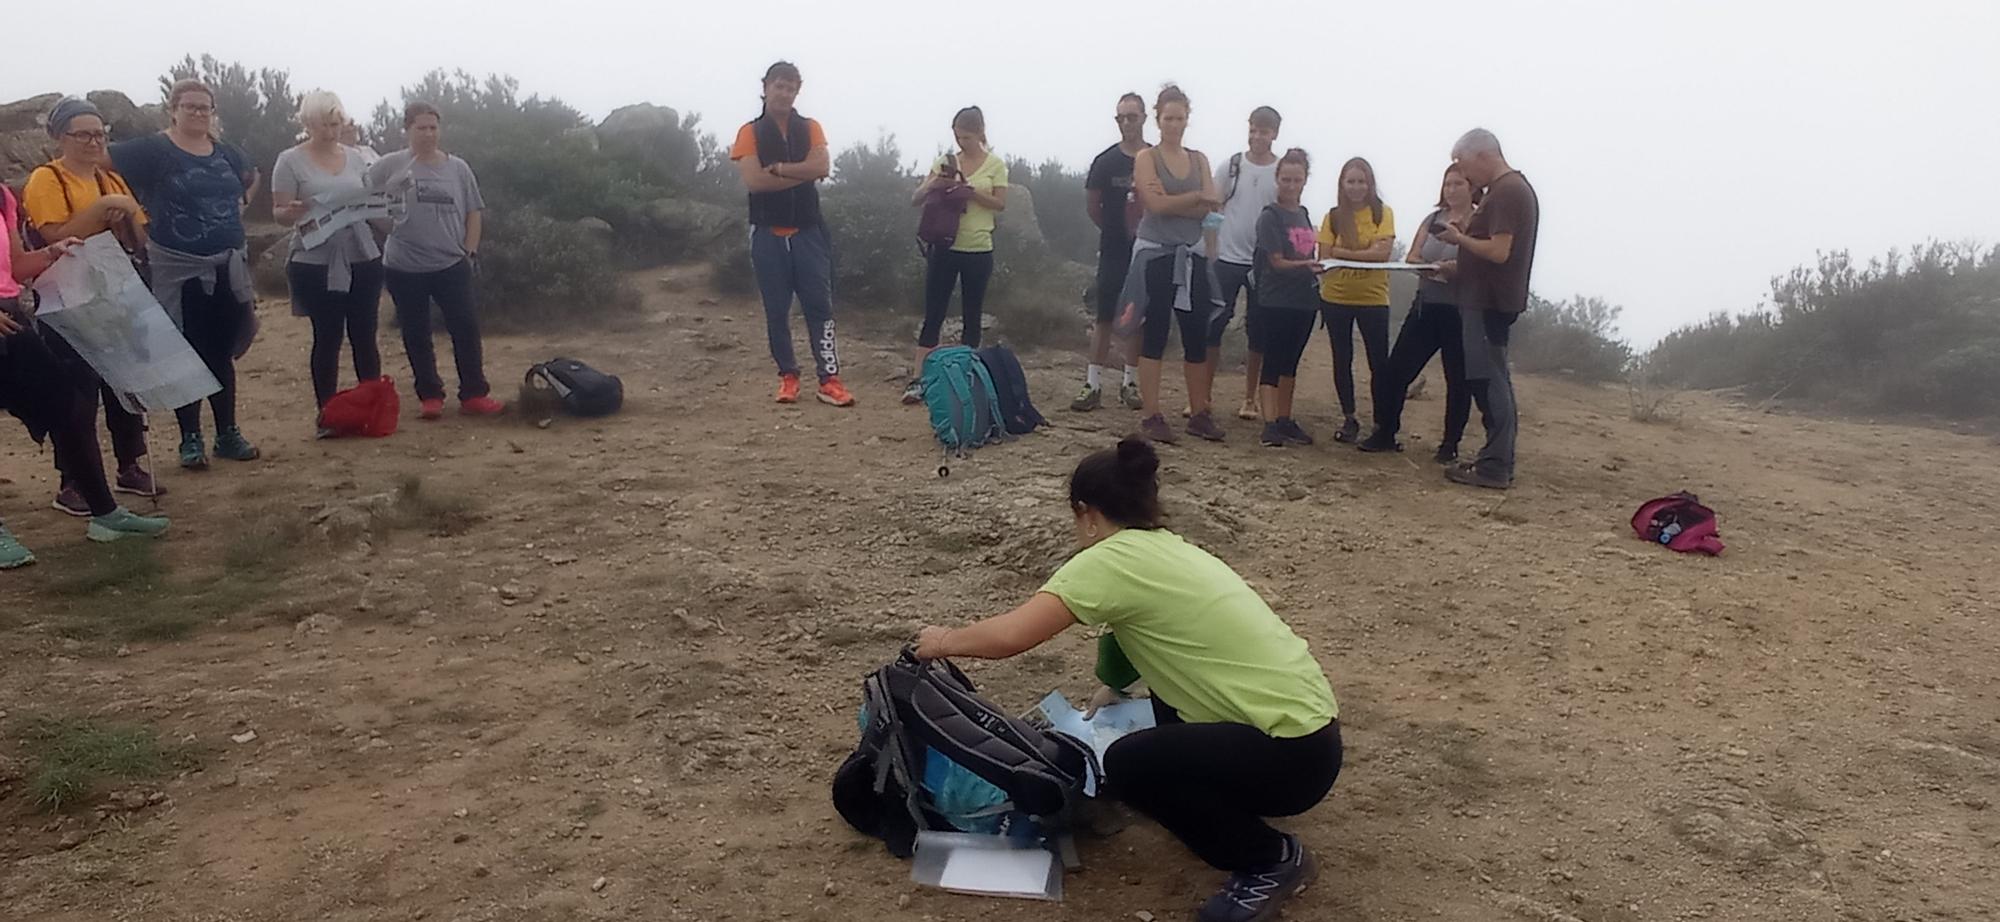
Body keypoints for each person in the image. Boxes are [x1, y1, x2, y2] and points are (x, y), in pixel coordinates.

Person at [913, 438, 1340, 922]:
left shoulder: (1108, 560)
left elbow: (1013, 635)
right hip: (1313, 739)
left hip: (1288, 762)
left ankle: (1270, 859)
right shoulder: (1170, 550)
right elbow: (1136, 632)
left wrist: (943, 640)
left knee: (1127, 763)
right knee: (1150, 730)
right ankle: (1209, 803)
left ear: (1086, 512)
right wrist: (1112, 685)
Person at [1, 190, 170, 569]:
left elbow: (13, 266)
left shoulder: (2, 197)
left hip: (10, 316)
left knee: (71, 409)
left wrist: (50, 253)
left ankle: (106, 515)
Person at [22, 97, 165, 510]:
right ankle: (73, 480)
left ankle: (129, 464)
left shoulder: (111, 179)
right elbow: (55, 236)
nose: (93, 142)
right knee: (75, 391)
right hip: (66, 299)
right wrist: (104, 210)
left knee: (124, 381)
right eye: (82, 134)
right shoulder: (46, 180)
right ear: (58, 137)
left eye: (100, 134)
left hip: (116, 292)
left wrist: (122, 218)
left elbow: (139, 234)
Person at [111, 78, 261, 470]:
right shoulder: (153, 149)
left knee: (221, 352)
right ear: (173, 109)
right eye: (190, 106)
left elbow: (251, 175)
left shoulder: (225, 151)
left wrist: (237, 211)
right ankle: (189, 438)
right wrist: (128, 213)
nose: (198, 113)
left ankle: (227, 432)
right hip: (178, 267)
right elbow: (103, 167)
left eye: (205, 107)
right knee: (185, 353)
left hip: (227, 265)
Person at [729, 61, 855, 408]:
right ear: (766, 87)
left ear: (797, 92)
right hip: (767, 234)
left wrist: (782, 170)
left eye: (790, 87)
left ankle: (829, 379)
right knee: (776, 310)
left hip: (809, 231)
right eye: (778, 86)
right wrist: (806, 172)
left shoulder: (810, 127)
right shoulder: (749, 132)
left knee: (820, 307)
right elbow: (755, 181)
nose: (784, 93)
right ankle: (788, 376)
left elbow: (823, 166)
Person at [368, 101, 504, 420]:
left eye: (433, 127)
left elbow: (474, 210)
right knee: (416, 332)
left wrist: (469, 251)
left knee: (466, 328)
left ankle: (474, 393)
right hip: (404, 266)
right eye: (421, 128)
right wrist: (386, 225)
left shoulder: (458, 168)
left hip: (451, 264)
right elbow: (362, 198)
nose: (428, 134)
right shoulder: (390, 165)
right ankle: (430, 395)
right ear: (407, 130)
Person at [273, 90, 385, 432]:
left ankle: (373, 409)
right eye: (324, 124)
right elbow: (278, 212)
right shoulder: (289, 161)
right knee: (328, 336)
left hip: (362, 255)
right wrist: (290, 212)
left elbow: (370, 200)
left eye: (336, 124)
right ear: (307, 123)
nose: (331, 131)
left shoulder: (355, 158)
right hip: (315, 260)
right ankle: (329, 414)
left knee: (365, 335)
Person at [1437, 128, 1539, 490]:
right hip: (1486, 299)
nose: (1463, 175)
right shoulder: (1508, 191)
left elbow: (1499, 252)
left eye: (1463, 165)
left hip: (1488, 303)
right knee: (1492, 377)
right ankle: (1495, 459)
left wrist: (1459, 239)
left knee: (1489, 380)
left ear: (1482, 155)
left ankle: (1495, 465)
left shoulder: (1507, 192)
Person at [1122, 85, 1224, 444]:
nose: (1174, 124)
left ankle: (1199, 412)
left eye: (1180, 118)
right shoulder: (1146, 157)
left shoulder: (1199, 159)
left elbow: (1210, 208)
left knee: (1196, 333)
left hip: (1192, 254)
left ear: (1187, 119)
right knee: (1156, 332)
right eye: (1168, 118)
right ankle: (1152, 414)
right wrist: (1195, 197)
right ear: (1158, 119)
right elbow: (1156, 204)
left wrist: (1183, 202)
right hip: (1156, 254)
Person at [1357, 164, 1480, 462]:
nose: (1451, 190)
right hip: (1426, 304)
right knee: (1394, 370)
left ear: (1472, 187)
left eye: (1458, 184)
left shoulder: (1480, 220)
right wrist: (1425, 266)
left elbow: (1483, 261)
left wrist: (1457, 269)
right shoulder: (1432, 218)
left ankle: (1449, 445)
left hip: (1461, 311)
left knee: (1459, 380)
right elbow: (1412, 254)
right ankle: (1385, 431)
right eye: (1447, 184)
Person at [903, 107, 1009, 404]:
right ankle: (918, 379)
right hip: (944, 245)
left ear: (979, 133)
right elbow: (916, 198)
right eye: (957, 136)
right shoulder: (945, 162)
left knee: (972, 315)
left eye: (966, 136)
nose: (961, 142)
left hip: (978, 248)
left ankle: (966, 378)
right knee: (933, 313)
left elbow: (1000, 203)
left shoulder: (996, 165)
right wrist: (934, 184)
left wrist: (970, 192)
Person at [1205, 106, 1282, 423]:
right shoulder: (1231, 166)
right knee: (1214, 325)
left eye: (1263, 131)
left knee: (1258, 333)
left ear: (1274, 133)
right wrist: (1210, 245)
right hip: (1226, 257)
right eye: (1253, 129)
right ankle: (1204, 395)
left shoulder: (1279, 172)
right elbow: (1213, 204)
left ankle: (1250, 399)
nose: (1256, 136)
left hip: (1261, 262)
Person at [1073, 93, 1147, 413]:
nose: (1127, 123)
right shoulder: (1105, 162)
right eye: (1121, 118)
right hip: (1114, 249)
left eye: (1132, 116)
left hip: (1147, 249)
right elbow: (1093, 207)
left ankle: (1130, 383)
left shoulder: (1154, 159)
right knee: (1104, 315)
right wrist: (1115, 231)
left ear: (1144, 118)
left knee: (1138, 316)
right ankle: (1093, 384)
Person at [1315, 157, 1396, 444]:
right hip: (1335, 297)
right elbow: (1324, 256)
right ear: (1342, 184)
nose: (1357, 187)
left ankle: (1381, 422)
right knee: (1342, 358)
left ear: (1370, 184)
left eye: (1362, 181)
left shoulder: (1382, 213)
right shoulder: (1333, 216)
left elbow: (1382, 255)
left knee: (1379, 362)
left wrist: (1342, 252)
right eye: (1351, 181)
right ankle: (1349, 418)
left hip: (1374, 298)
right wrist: (1361, 252)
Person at [1251, 150, 1325, 448]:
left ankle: (1284, 418)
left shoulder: (1304, 214)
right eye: (1286, 179)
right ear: (1277, 179)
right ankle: (1269, 424)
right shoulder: (1270, 216)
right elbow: (1276, 262)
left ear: (1305, 180)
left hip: (1304, 300)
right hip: (1276, 299)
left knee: (1291, 362)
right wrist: (1307, 266)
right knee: (1273, 360)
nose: (1291, 185)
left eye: (1297, 179)